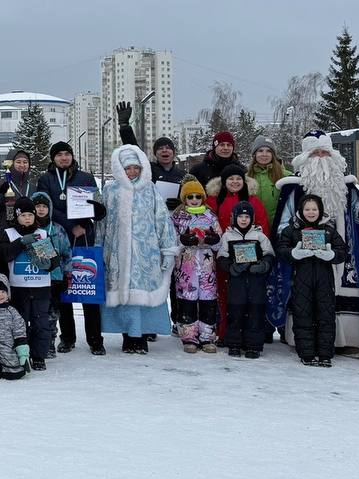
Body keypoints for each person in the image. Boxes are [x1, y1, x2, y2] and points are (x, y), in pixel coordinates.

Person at [270, 131, 359, 356]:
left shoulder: (347, 187)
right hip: (303, 257)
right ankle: (303, 337)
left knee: (342, 293)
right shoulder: (293, 189)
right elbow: (283, 223)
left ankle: (346, 339)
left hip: (342, 255)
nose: (321, 157)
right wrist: (294, 246)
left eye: (324, 152)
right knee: (304, 296)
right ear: (305, 156)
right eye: (315, 153)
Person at [100, 145, 179, 354]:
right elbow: (102, 222)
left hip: (146, 252)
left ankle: (142, 335)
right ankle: (128, 335)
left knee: (143, 293)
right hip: (117, 251)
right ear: (120, 169)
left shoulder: (150, 189)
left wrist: (168, 248)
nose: (133, 172)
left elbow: (162, 219)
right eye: (128, 168)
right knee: (122, 296)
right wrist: (98, 248)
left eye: (136, 167)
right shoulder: (110, 190)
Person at [35, 140, 104, 353]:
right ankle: (67, 337)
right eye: (59, 155)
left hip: (84, 237)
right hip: (57, 238)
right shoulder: (46, 179)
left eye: (67, 154)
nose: (64, 158)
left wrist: (83, 224)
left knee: (87, 286)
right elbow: (45, 206)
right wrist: (70, 225)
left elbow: (97, 206)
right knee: (63, 288)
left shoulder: (85, 177)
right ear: (53, 158)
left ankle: (95, 339)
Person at [275, 195, 347, 367]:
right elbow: (281, 249)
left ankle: (325, 353)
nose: (311, 212)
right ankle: (306, 353)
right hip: (301, 279)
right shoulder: (292, 229)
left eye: (314, 209)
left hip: (324, 279)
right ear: (301, 210)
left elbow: (342, 251)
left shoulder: (328, 230)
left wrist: (332, 255)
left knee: (326, 315)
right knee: (303, 314)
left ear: (320, 210)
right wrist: (293, 253)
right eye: (307, 209)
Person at [0, 197, 59, 369]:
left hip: (41, 286)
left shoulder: (42, 233)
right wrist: (21, 242)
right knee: (20, 323)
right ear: (17, 216)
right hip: (19, 287)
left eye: (30, 215)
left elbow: (54, 260)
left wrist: (48, 263)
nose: (27, 218)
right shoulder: (10, 233)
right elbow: (5, 255)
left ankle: (39, 355)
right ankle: (21, 352)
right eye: (23, 215)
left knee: (41, 322)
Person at [31, 191, 91, 354]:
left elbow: (66, 253)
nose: (41, 210)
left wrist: (68, 273)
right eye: (37, 206)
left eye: (44, 206)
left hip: (54, 279)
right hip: (33, 278)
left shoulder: (57, 229)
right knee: (36, 313)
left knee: (51, 313)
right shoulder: (28, 230)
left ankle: (49, 342)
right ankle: (35, 342)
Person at [217, 201, 275, 359]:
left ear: (252, 218)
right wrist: (231, 267)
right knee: (235, 313)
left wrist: (263, 266)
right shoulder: (228, 236)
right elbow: (222, 257)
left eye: (247, 216)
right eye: (240, 216)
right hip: (237, 282)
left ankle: (253, 345)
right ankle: (234, 344)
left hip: (256, 282)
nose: (243, 220)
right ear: (234, 218)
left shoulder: (259, 235)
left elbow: (270, 254)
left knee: (255, 313)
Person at [171, 178, 221, 354]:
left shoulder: (210, 215)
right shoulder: (178, 216)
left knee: (208, 300)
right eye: (190, 196)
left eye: (197, 196)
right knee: (187, 301)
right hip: (186, 266)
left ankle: (207, 336)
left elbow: (219, 241)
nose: (194, 200)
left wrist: (214, 240)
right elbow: (171, 238)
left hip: (207, 265)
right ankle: (189, 337)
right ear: (184, 198)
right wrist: (182, 240)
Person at [117, 102, 186, 209]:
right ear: (155, 154)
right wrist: (124, 125)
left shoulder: (183, 175)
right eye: (160, 148)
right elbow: (134, 150)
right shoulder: (148, 170)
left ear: (173, 152)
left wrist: (182, 204)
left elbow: (196, 198)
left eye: (168, 148)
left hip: (176, 221)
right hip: (151, 217)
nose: (164, 151)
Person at [245, 136, 291, 226]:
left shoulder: (286, 176)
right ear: (254, 154)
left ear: (273, 155)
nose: (264, 154)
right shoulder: (246, 178)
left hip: (279, 227)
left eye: (268, 151)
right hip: (254, 228)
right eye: (260, 151)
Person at [0, 148, 37, 227]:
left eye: (25, 162)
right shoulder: (0, 184)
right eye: (18, 162)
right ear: (11, 164)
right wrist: (0, 193)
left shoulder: (33, 188)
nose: (22, 165)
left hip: (28, 231)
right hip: (6, 232)